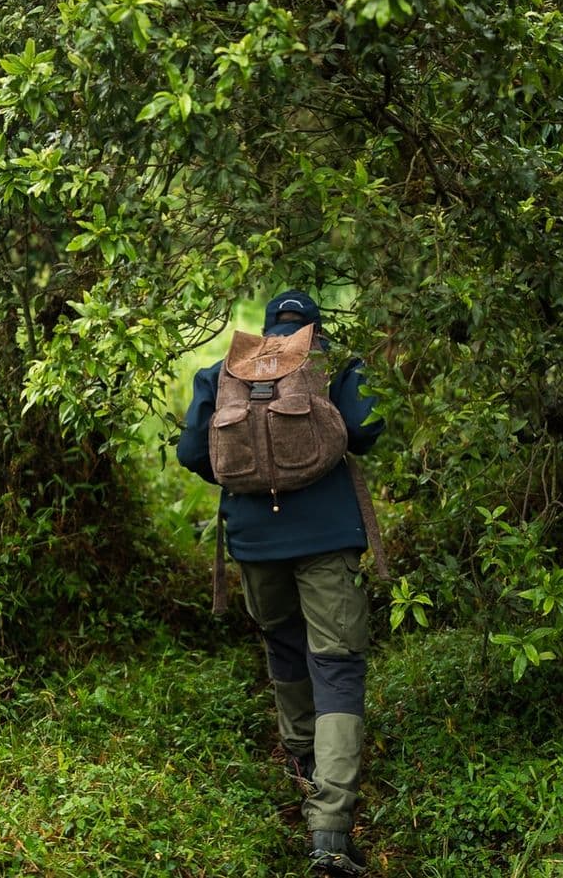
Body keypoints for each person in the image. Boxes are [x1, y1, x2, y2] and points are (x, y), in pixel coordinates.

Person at [176, 289, 384, 876]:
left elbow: (194, 450)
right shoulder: (337, 367)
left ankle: (303, 769)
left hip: (254, 540)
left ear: (265, 329)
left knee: (285, 645)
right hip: (328, 536)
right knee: (337, 663)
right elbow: (367, 430)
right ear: (314, 329)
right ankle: (331, 833)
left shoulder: (222, 372)